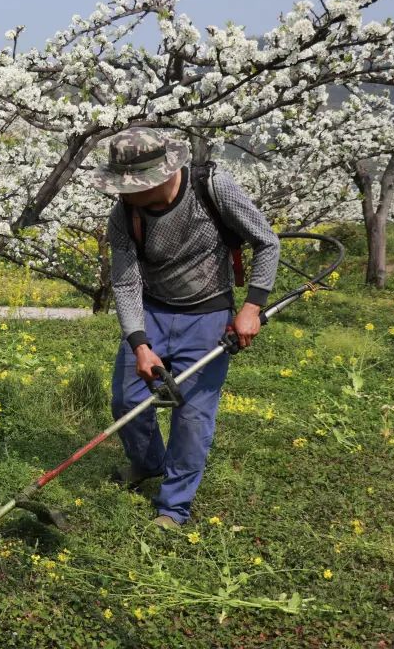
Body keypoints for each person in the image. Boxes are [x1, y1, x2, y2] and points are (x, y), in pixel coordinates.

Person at [91, 128, 280, 529]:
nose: (121, 194)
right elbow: (125, 283)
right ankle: (149, 463)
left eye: (130, 186)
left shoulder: (212, 187)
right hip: (153, 311)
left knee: (192, 417)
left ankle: (173, 507)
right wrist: (140, 344)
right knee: (127, 401)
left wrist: (252, 307)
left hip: (208, 314)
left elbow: (267, 242)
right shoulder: (125, 214)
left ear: (158, 177)